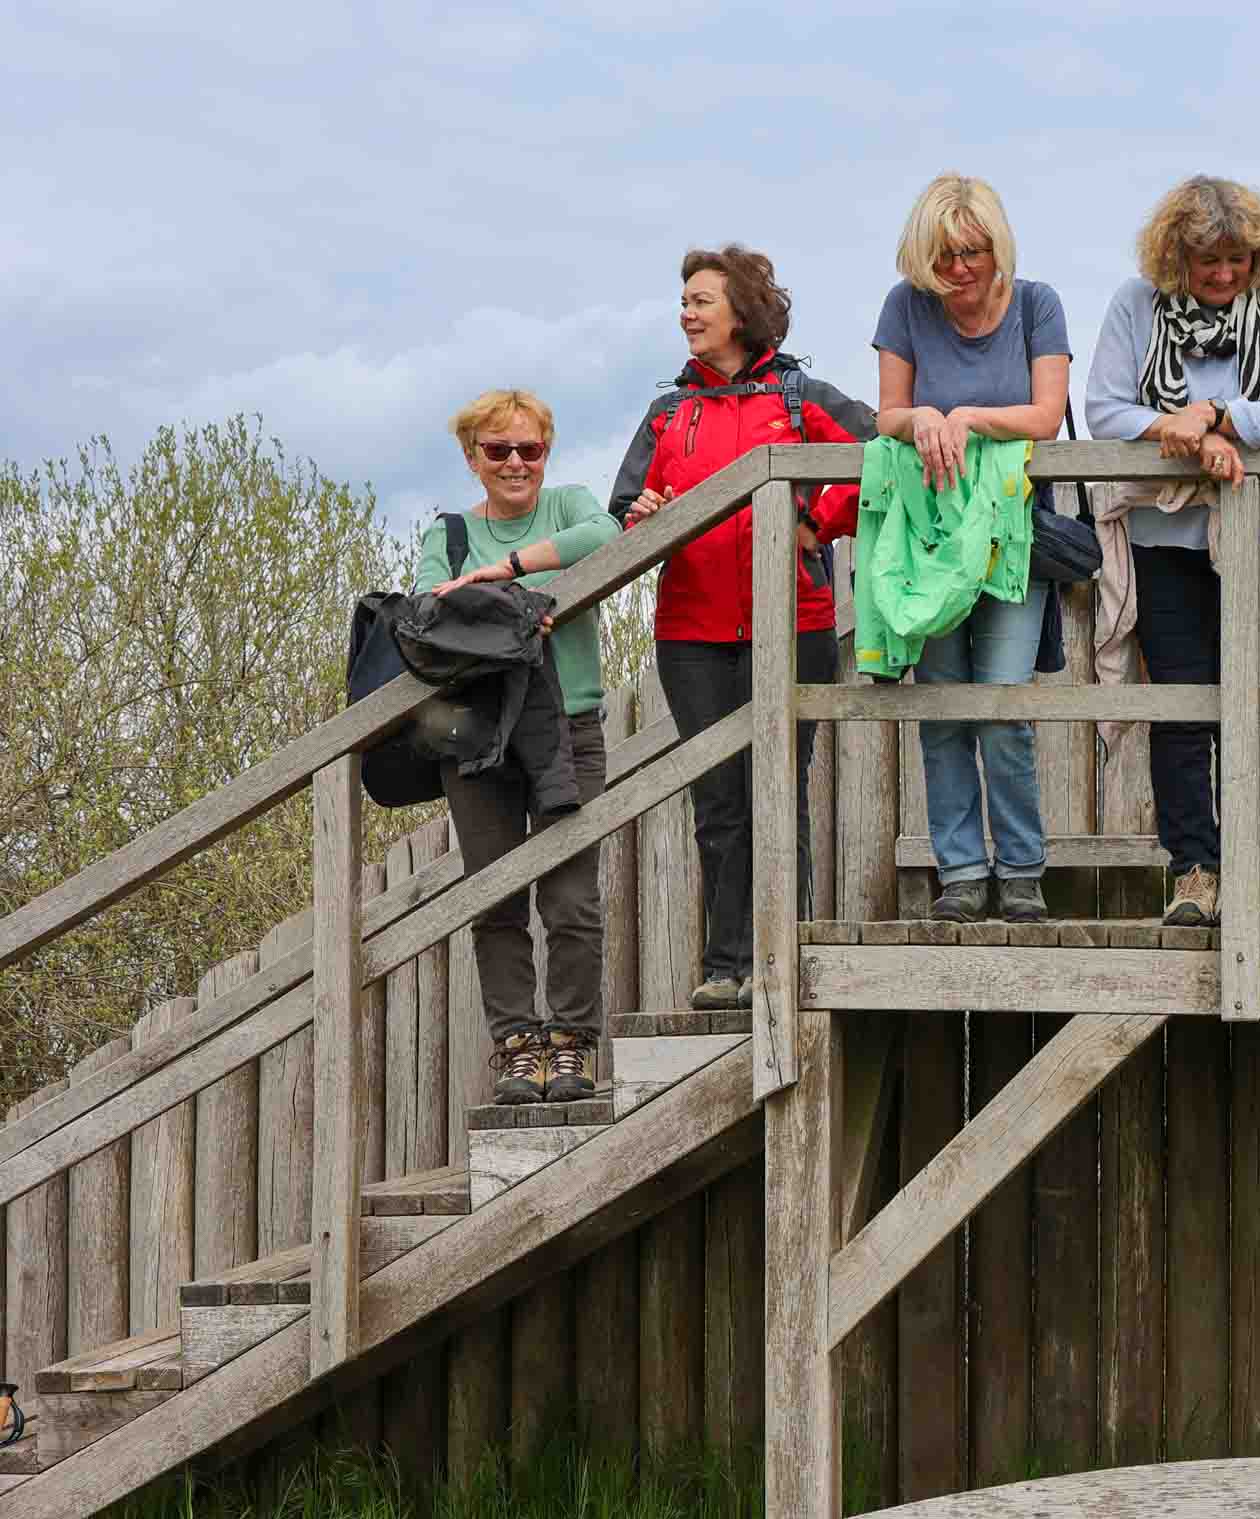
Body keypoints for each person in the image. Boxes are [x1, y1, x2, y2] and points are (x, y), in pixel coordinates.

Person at [612, 246, 869, 1010]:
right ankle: (725, 964)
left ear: (741, 311)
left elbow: (876, 456)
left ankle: (778, 957)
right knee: (719, 803)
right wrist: (641, 517)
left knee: (777, 789)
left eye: (701, 300)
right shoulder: (667, 414)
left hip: (792, 624)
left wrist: (820, 522)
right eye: (684, 302)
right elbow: (623, 511)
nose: (686, 313)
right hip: (690, 634)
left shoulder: (798, 398)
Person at [1086, 176, 1260, 926]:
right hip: (1163, 540)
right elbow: (1105, 409)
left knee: (1249, 704)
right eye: (1206, 260)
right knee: (1181, 708)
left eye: (1236, 260)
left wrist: (1211, 415)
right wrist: (1173, 429)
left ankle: (1241, 866)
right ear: (1174, 256)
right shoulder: (1135, 304)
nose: (1222, 274)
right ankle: (1192, 871)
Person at [868, 175, 1065, 927]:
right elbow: (887, 412)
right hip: (930, 534)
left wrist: (969, 417)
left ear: (996, 246)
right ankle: (960, 870)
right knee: (943, 704)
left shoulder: (1038, 305)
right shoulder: (905, 307)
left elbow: (1046, 416)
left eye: (972, 252)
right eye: (943, 255)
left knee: (1003, 704)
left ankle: (1021, 869)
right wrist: (921, 416)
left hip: (1011, 532)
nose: (959, 269)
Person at [417, 389, 617, 1103]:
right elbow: (430, 611)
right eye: (498, 449)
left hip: (569, 727)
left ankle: (571, 1044)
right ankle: (516, 1048)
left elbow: (606, 534)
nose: (515, 463)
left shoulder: (568, 507)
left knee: (570, 899)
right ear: (472, 458)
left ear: (546, 453)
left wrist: (504, 577)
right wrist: (526, 610)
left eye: (529, 449)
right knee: (496, 898)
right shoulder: (449, 536)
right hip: (478, 736)